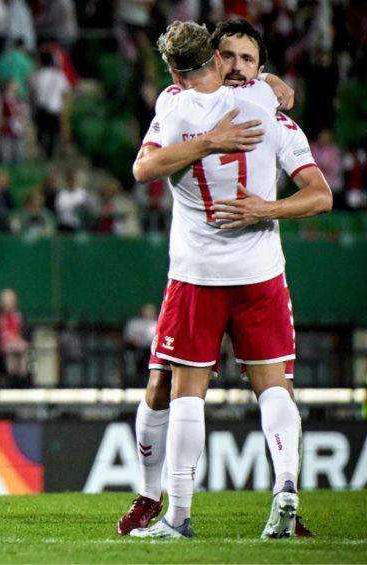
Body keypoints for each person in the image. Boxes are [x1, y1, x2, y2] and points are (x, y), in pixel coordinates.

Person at [126, 21, 331, 539]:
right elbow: (321, 195)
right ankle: (286, 486)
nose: (238, 66)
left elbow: (143, 170)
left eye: (248, 58)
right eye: (230, 56)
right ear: (217, 59)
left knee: (185, 391)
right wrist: (270, 207)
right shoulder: (269, 107)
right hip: (259, 274)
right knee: (273, 388)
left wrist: (213, 149)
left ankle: (178, 513)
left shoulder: (172, 107)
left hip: (198, 274)